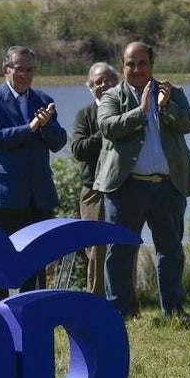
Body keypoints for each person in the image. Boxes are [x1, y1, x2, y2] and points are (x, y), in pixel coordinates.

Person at [95, 41, 190, 321]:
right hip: (127, 188)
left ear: (152, 64)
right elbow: (107, 127)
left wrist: (165, 108)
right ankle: (119, 315)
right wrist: (140, 112)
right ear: (123, 66)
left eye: (142, 63)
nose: (136, 69)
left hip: (168, 186)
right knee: (120, 254)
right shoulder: (112, 96)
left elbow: (189, 123)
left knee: (171, 252)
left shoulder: (172, 93)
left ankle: (174, 313)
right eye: (130, 64)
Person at [0, 45, 67, 304]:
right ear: (6, 70)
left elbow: (59, 142)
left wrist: (46, 127)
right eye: (19, 69)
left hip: (39, 195)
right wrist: (29, 128)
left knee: (36, 264)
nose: (25, 75)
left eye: (30, 70)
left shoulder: (43, 99)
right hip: (4, 196)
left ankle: (31, 317)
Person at [69, 61, 119, 297]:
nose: (104, 84)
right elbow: (78, 150)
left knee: (123, 245)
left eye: (109, 79)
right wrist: (107, 128)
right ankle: (96, 303)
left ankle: (126, 305)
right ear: (91, 87)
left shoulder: (128, 108)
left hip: (123, 187)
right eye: (98, 81)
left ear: (118, 82)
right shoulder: (85, 115)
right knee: (96, 248)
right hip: (94, 190)